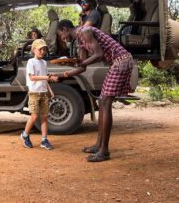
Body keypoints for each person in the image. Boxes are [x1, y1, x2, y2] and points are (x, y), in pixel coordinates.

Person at [57, 20, 134, 162]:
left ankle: (104, 151)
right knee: (102, 101)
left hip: (122, 61)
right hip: (117, 63)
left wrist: (81, 62)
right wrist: (62, 75)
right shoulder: (80, 42)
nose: (61, 38)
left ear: (65, 29)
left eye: (60, 34)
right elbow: (82, 68)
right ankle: (99, 145)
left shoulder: (85, 31)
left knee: (105, 102)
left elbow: (98, 54)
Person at [20, 39, 58, 150]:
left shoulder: (44, 63)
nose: (42, 51)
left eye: (44, 49)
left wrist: (49, 90)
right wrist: (48, 77)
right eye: (40, 49)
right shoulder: (31, 62)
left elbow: (44, 77)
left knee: (45, 117)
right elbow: (32, 77)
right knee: (34, 116)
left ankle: (44, 140)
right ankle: (25, 135)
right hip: (34, 93)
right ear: (34, 50)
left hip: (43, 93)